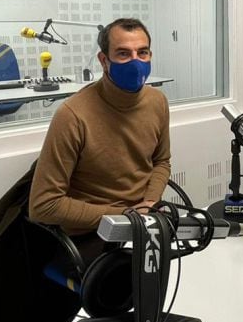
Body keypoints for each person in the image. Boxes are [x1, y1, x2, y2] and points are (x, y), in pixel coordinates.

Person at [29, 17, 170, 256]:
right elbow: (43, 205)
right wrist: (125, 215)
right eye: (124, 54)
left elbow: (161, 161)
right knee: (133, 282)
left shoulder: (157, 101)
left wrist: (149, 204)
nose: (136, 62)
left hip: (141, 219)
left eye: (142, 53)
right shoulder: (73, 115)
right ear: (104, 61)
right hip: (93, 232)